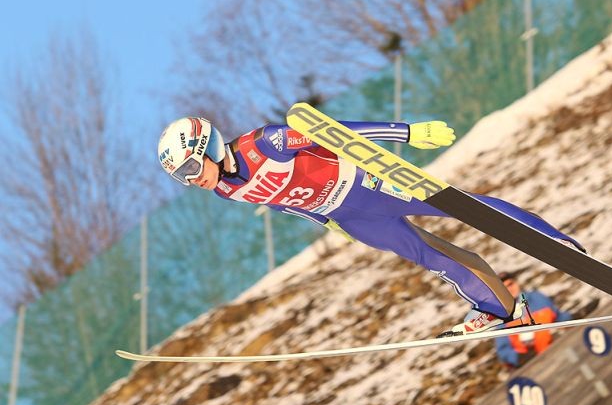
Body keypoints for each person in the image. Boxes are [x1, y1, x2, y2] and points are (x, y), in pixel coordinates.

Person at [157, 115, 584, 336]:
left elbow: (337, 133)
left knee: (463, 208)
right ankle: (502, 309)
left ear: (208, 146)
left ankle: (552, 240)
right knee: (429, 256)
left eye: (192, 167)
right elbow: (281, 202)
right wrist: (326, 222)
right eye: (182, 178)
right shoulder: (225, 190)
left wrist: (407, 132)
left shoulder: (266, 142)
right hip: (351, 216)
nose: (193, 180)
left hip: (368, 184)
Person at [494, 271, 572, 368]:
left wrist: (569, 321)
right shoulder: (503, 318)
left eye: (511, 284)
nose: (509, 289)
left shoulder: (537, 297)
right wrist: (519, 358)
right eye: (504, 288)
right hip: (535, 366)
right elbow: (503, 351)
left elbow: (558, 316)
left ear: (516, 282)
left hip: (558, 351)